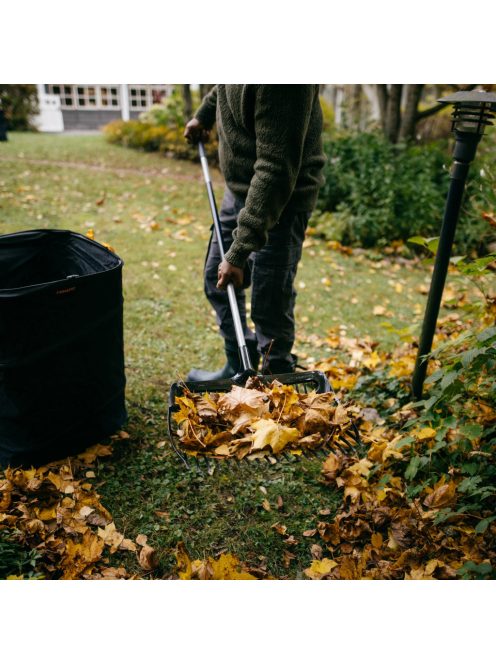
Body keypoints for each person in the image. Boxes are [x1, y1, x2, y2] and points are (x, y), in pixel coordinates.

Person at [184, 85, 325, 381]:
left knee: (269, 303)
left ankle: (276, 382)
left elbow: (275, 168)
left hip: (281, 201)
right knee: (217, 279)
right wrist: (204, 115)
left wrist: (238, 252)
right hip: (238, 192)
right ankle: (239, 363)